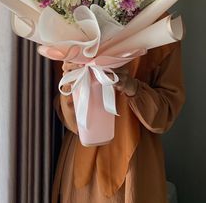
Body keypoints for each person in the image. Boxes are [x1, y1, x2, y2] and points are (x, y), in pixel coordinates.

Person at [51, 29, 185, 203]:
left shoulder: (163, 28)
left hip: (135, 162)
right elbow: (66, 114)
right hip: (82, 158)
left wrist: (132, 87)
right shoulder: (74, 24)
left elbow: (166, 113)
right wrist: (72, 81)